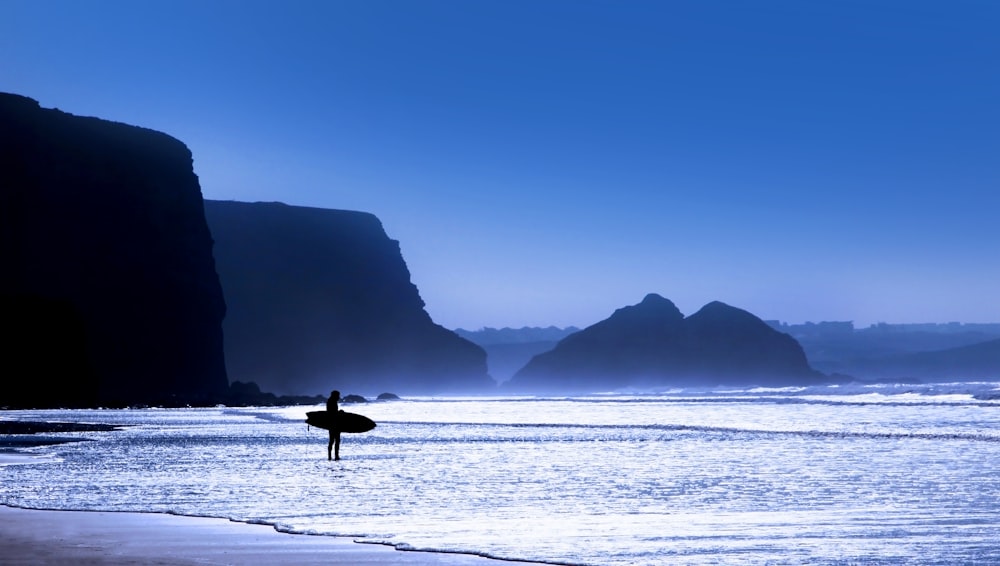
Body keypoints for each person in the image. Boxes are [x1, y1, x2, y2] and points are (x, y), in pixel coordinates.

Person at [327, 390, 341, 461]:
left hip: (331, 423)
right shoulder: (332, 401)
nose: (339, 397)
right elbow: (332, 413)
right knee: (335, 440)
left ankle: (331, 456)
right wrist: (339, 412)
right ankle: (335, 456)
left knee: (332, 440)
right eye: (338, 395)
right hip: (334, 424)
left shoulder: (330, 401)